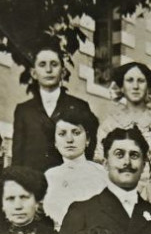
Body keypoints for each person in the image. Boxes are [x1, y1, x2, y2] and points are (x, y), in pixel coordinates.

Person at [10, 42, 96, 173]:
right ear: (33, 73)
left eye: (54, 64)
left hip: (68, 181)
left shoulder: (79, 106)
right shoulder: (24, 111)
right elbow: (18, 157)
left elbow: (88, 149)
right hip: (33, 184)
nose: (48, 70)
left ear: (63, 72)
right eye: (42, 65)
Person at [42, 112, 107, 227]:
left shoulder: (102, 174)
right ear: (55, 143)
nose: (69, 140)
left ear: (87, 140)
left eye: (76, 133)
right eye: (62, 134)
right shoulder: (48, 177)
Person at [98, 61, 151, 153]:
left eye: (141, 81)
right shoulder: (109, 125)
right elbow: (100, 159)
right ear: (122, 87)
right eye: (130, 80)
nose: (135, 86)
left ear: (148, 87)